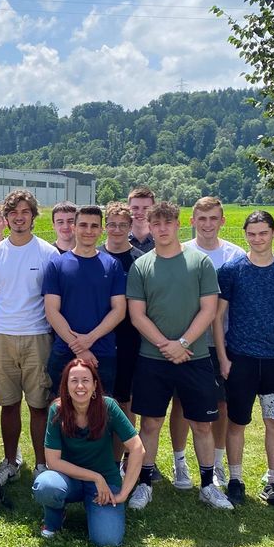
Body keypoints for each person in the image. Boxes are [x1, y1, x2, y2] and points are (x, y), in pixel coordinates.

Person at [125, 201, 233, 511]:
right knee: (150, 423)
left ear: (177, 224)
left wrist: (183, 342)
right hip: (153, 359)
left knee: (201, 424)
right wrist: (166, 345)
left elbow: (209, 309)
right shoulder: (141, 265)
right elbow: (137, 315)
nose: (161, 229)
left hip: (195, 357)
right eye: (155, 223)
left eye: (167, 223)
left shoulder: (199, 263)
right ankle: (144, 483)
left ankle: (208, 485)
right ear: (150, 226)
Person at [214, 210, 274, 508]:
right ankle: (235, 480)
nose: (257, 238)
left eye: (263, 232)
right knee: (236, 423)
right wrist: (224, 358)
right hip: (241, 359)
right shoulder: (231, 270)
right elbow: (218, 317)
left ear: (273, 232)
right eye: (252, 234)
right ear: (246, 235)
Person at [0, 189, 58, 484]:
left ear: (33, 216)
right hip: (2, 336)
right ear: (6, 218)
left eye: (25, 212)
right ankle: (10, 461)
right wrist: (9, 317)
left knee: (39, 405)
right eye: (13, 213)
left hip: (38, 336)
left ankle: (42, 463)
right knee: (8, 404)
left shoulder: (48, 252)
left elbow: (52, 296)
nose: (19, 217)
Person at [168, 196, 245, 489]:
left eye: (214, 218)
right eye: (202, 218)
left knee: (222, 405)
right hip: (188, 343)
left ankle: (216, 463)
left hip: (224, 343)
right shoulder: (181, 251)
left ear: (223, 221)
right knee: (182, 404)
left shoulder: (235, 255)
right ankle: (179, 462)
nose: (208, 224)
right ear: (192, 221)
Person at [32, 358, 145, 546]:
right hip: (69, 479)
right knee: (46, 486)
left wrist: (124, 493)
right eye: (73, 380)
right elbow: (52, 461)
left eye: (85, 380)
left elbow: (137, 448)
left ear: (94, 385)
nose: (80, 386)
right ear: (66, 385)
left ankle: (98, 511)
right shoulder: (57, 410)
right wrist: (95, 477)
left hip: (105, 483)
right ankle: (54, 518)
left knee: (107, 540)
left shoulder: (108, 406)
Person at [44, 205, 126, 396]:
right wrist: (78, 346)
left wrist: (90, 339)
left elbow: (119, 310)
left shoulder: (112, 265)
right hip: (64, 351)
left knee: (101, 412)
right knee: (62, 412)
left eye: (94, 226)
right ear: (74, 227)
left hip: (102, 352)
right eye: (83, 225)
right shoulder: (57, 264)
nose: (88, 231)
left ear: (101, 230)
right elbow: (51, 311)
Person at [102, 203, 144, 425]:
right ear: (105, 226)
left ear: (130, 226)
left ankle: (127, 451)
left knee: (125, 397)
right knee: (99, 397)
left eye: (122, 225)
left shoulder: (140, 259)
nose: (116, 229)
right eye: (112, 224)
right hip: (98, 336)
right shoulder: (95, 255)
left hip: (130, 337)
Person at [127, 185, 156, 253]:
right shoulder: (120, 241)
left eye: (146, 208)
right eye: (135, 208)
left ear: (154, 210)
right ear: (128, 209)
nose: (140, 212)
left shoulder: (162, 242)